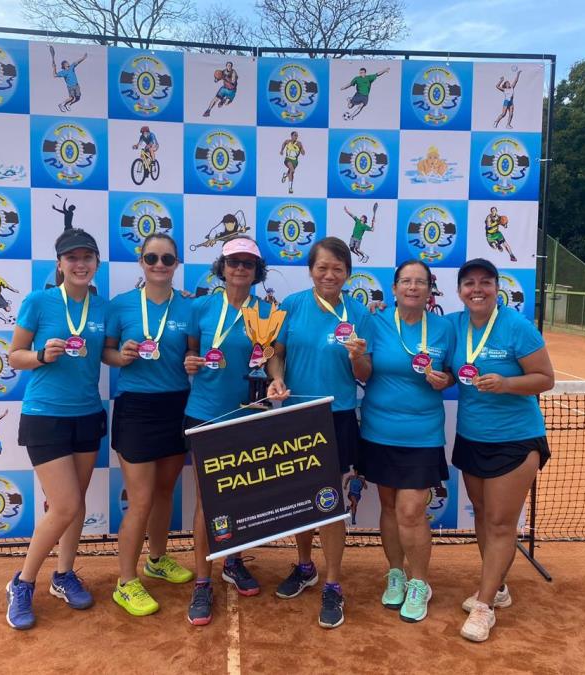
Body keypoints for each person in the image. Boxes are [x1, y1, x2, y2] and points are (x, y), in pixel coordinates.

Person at [266, 236, 374, 629]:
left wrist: (358, 357)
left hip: (337, 416)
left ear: (348, 273)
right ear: (311, 270)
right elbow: (275, 353)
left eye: (337, 268)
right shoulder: (292, 305)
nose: (329, 274)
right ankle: (304, 566)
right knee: (301, 499)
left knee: (329, 501)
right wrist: (276, 378)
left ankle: (333, 584)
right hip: (297, 415)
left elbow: (366, 375)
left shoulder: (358, 312)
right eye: (322, 267)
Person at [4, 228, 109, 630]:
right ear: (60, 264)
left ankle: (63, 575)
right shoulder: (39, 301)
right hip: (45, 415)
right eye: (72, 258)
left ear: (96, 263)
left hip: (87, 414)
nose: (80, 264)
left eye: (87, 257)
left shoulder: (102, 308)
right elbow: (14, 356)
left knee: (76, 504)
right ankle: (22, 582)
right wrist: (40, 356)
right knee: (63, 505)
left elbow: (110, 352)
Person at [447, 258, 554, 642]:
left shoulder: (516, 326)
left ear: (497, 288)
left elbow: (546, 378)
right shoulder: (454, 325)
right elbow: (442, 364)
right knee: (482, 515)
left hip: (515, 440)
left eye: (485, 282)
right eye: (469, 283)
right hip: (472, 437)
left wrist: (507, 384)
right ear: (459, 291)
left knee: (500, 524)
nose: (477, 289)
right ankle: (499, 587)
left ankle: (484, 605)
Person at [102, 233, 194, 618]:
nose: (159, 265)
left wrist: (193, 361)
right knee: (140, 499)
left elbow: (192, 353)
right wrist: (120, 357)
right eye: (152, 258)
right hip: (137, 409)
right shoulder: (121, 305)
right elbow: (106, 352)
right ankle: (125, 581)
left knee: (164, 491)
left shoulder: (189, 306)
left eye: (167, 259)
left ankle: (157, 560)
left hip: (177, 406)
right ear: (141, 261)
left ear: (176, 264)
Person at [182, 236, 272, 626]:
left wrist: (277, 380)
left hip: (248, 414)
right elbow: (189, 351)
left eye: (248, 264)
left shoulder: (267, 312)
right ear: (222, 267)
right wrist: (190, 361)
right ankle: (202, 581)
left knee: (240, 497)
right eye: (233, 262)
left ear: (256, 272)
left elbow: (273, 359)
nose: (240, 269)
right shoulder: (200, 307)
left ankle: (233, 561)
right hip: (204, 413)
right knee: (207, 501)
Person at [358, 260, 454, 624]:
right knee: (388, 507)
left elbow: (455, 373)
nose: (413, 287)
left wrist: (446, 380)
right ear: (395, 288)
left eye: (420, 282)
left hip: (422, 433)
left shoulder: (444, 327)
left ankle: (419, 582)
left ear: (430, 290)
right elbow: (363, 371)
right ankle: (396, 573)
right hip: (378, 430)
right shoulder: (375, 320)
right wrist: (355, 356)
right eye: (406, 281)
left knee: (411, 511)